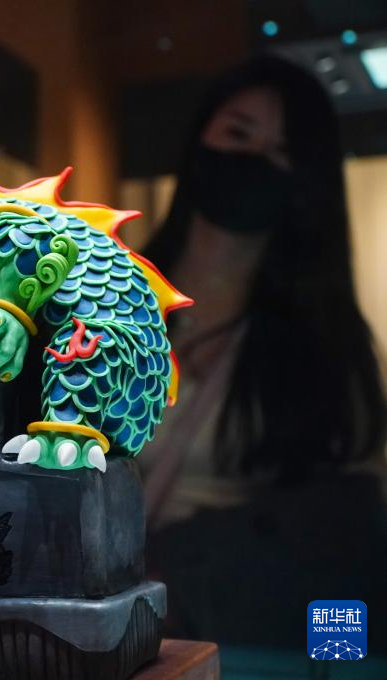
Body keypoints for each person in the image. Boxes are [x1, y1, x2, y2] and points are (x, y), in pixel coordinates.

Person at [140, 56, 387, 675]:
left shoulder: (327, 346)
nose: (254, 160)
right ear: (200, 135)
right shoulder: (107, 293)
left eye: (282, 151)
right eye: (239, 133)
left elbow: (344, 544)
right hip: (98, 628)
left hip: (239, 647)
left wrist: (339, 661)